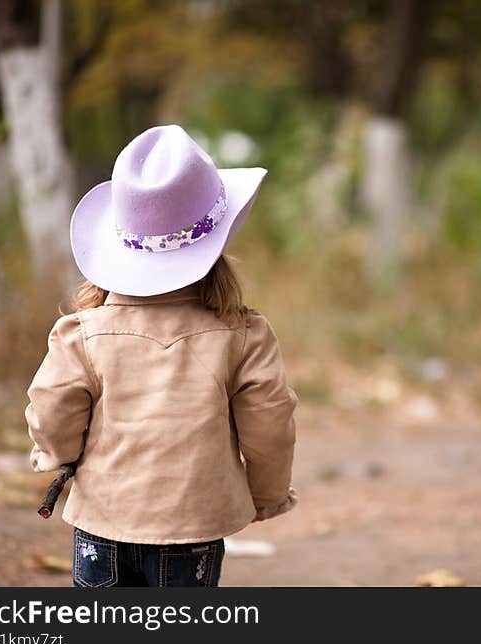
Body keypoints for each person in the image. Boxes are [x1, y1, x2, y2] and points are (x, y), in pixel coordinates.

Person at [25, 125, 298, 587]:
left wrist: (58, 456)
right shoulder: (243, 335)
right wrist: (265, 495)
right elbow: (270, 423)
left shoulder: (83, 334)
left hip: (102, 521)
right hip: (194, 526)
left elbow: (53, 408)